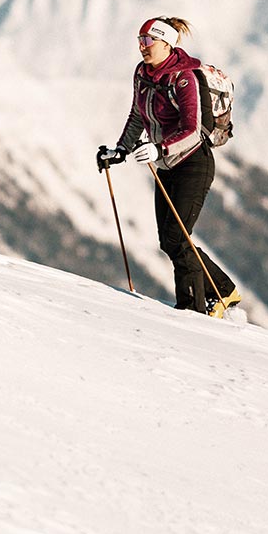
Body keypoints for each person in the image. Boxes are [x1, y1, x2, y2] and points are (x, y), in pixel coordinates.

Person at [96, 16, 241, 315]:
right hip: (166, 166)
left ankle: (192, 309)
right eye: (140, 40)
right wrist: (120, 150)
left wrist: (159, 148)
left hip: (193, 164)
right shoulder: (142, 73)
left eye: (148, 40)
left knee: (177, 238)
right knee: (170, 241)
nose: (142, 46)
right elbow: (137, 115)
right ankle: (223, 291)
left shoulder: (184, 78)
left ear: (166, 44)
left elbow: (193, 130)